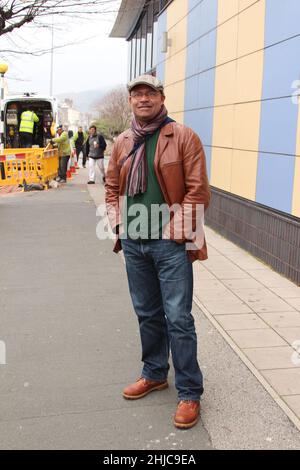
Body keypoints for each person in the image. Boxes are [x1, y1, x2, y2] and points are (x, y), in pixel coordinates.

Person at [105, 74, 211, 429]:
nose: (143, 99)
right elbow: (111, 188)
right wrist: (118, 224)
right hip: (134, 243)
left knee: (178, 317)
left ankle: (190, 392)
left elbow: (198, 192)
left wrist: (175, 231)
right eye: (137, 94)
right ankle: (154, 373)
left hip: (170, 243)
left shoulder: (182, 136)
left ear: (161, 97)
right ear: (131, 101)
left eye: (150, 93)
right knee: (147, 313)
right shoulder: (122, 141)